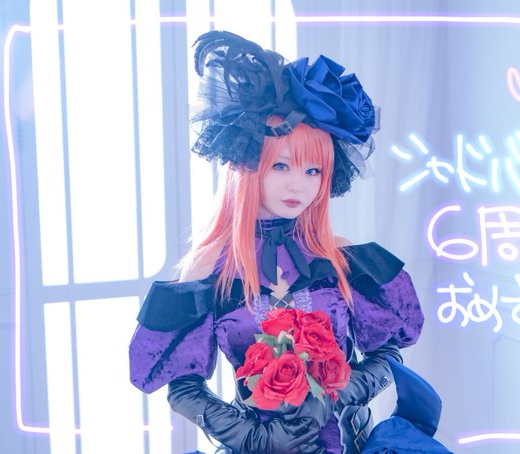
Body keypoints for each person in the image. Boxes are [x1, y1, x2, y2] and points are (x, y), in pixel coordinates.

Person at [128, 30, 427, 453]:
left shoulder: (342, 258)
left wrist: (344, 392)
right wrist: (251, 436)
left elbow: (390, 351)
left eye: (313, 171)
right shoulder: (209, 267)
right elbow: (182, 385)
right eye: (282, 166)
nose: (298, 185)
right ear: (250, 166)